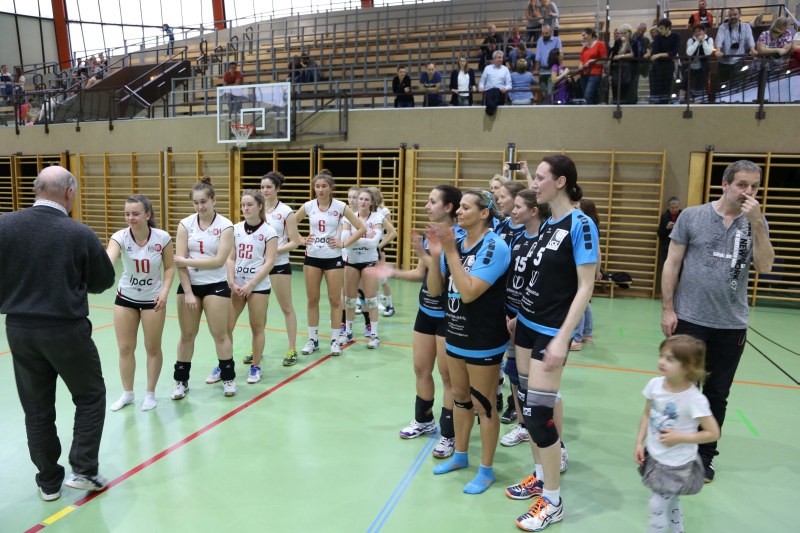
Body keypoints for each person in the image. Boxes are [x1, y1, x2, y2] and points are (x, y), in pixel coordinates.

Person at [0, 166, 116, 500]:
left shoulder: (4, 225)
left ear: (37, 190)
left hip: (19, 329)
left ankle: (48, 481)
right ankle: (84, 470)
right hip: (66, 329)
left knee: (36, 408)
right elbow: (103, 281)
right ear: (69, 192)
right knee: (90, 396)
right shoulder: (78, 232)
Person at [661, 160, 774, 483]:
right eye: (742, 184)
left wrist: (757, 224)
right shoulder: (692, 216)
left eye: (754, 186)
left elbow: (765, 266)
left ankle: (704, 457)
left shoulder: (756, 222)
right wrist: (668, 309)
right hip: (690, 318)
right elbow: (672, 263)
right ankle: (675, 449)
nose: (748, 192)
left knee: (716, 394)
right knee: (682, 388)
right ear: (725, 184)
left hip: (731, 324)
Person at [506, 155, 598, 531]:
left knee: (539, 417)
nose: (534, 183)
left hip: (551, 332)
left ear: (560, 182)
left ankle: (554, 502)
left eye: (541, 177)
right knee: (528, 409)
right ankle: (540, 476)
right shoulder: (547, 222)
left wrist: (564, 337)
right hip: (526, 325)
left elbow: (586, 286)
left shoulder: (581, 224)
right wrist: (517, 315)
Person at [425, 189, 511, 495]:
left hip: (483, 338)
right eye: (458, 207)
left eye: (465, 207)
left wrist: (449, 251)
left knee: (483, 405)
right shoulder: (458, 243)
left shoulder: (495, 246)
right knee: (460, 397)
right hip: (455, 332)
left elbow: (470, 292)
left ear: (484, 213)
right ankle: (460, 455)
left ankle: (486, 470)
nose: (458, 212)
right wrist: (435, 256)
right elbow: (436, 290)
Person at [369, 185, 463, 459]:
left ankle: (449, 433)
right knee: (421, 369)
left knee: (448, 377)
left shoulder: (460, 239)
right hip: (426, 312)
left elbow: (440, 282)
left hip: (449, 316)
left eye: (432, 201)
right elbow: (422, 274)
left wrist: (432, 256)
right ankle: (424, 420)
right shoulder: (430, 234)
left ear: (448, 207)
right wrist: (392, 272)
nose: (426, 206)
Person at [635, 335, 720, 533]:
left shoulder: (694, 399)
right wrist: (639, 442)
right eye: (661, 356)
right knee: (671, 500)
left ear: (688, 367)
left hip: (677, 463)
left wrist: (681, 438)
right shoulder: (655, 385)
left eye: (670, 359)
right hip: (656, 456)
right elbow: (647, 414)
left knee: (657, 504)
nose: (662, 361)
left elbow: (713, 433)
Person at [107, 195, 174, 412]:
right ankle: (127, 393)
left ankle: (150, 393)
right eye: (127, 214)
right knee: (125, 347)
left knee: (152, 348)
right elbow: (109, 259)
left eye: (135, 214)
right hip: (126, 297)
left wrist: (164, 291)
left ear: (147, 215)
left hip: (153, 299)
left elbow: (170, 267)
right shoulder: (120, 237)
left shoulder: (162, 238)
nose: (130, 218)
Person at [171, 177, 236, 399]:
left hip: (215, 285)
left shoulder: (225, 226)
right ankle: (181, 382)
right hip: (190, 286)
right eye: (196, 202)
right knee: (187, 335)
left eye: (204, 201)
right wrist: (188, 292)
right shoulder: (185, 224)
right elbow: (179, 262)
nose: (200, 206)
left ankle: (228, 379)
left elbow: (218, 261)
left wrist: (187, 261)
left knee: (220, 335)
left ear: (213, 200)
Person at [295, 170, 366, 357]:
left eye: (324, 186)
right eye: (317, 186)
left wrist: (343, 243)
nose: (320, 190)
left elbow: (361, 228)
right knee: (312, 300)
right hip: (312, 257)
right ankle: (313, 339)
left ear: (331, 188)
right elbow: (289, 224)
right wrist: (301, 240)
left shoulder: (340, 206)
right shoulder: (308, 206)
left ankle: (335, 340)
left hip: (333, 258)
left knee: (335, 300)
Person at [225, 190, 278, 384]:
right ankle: (225, 364)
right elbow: (231, 258)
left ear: (259, 206)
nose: (245, 208)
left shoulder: (269, 232)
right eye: (243, 205)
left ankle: (255, 366)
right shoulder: (235, 229)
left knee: (257, 327)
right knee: (226, 327)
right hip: (237, 285)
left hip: (258, 286)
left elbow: (269, 262)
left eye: (249, 204)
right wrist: (231, 282)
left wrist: (251, 284)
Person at [259, 172, 302, 366]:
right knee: (259, 309)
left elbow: (294, 242)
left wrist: (273, 250)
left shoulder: (286, 211)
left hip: (279, 265)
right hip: (259, 267)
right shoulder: (257, 208)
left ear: (277, 188)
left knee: (286, 307)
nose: (265, 190)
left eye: (268, 187)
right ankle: (256, 347)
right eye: (262, 187)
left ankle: (292, 348)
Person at [341, 188, 384, 348]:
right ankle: (348, 332)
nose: (363, 202)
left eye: (366, 199)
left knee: (371, 299)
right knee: (350, 299)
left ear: (372, 201)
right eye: (361, 199)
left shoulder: (377, 218)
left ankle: (374, 335)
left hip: (369, 261)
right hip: (352, 260)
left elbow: (374, 243)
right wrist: (364, 237)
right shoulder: (349, 217)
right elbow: (344, 239)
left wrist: (354, 239)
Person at [570, 198, 602, 350]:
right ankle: (587, 334)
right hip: (586, 266)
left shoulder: (586, 225)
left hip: (582, 266)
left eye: (578, 207)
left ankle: (577, 337)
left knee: (579, 299)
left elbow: (598, 252)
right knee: (586, 303)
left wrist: (597, 271)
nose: (575, 209)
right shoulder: (590, 224)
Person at [714, 8, 756, 103]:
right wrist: (718, 51)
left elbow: (749, 39)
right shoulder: (723, 27)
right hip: (724, 62)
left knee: (738, 83)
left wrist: (752, 49)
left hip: (738, 60)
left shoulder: (746, 26)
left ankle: (737, 102)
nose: (733, 17)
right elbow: (719, 39)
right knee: (723, 85)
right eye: (730, 15)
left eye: (735, 14)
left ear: (740, 15)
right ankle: (723, 103)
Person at [369, 187, 398, 317]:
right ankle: (369, 303)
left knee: (381, 277)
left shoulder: (382, 212)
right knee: (368, 278)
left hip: (377, 247)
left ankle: (390, 305)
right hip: (365, 248)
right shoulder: (362, 213)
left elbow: (392, 232)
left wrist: (379, 246)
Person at [755, 17, 793, 103]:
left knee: (774, 88)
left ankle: (773, 104)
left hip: (777, 66)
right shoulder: (765, 34)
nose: (787, 28)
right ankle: (760, 104)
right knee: (760, 88)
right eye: (785, 26)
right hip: (762, 66)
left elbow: (785, 49)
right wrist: (777, 50)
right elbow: (761, 50)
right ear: (779, 25)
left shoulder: (787, 33)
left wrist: (768, 49)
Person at [649, 19, 681, 104]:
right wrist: (665, 55)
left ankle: (665, 103)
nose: (660, 30)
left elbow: (673, 52)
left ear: (668, 28)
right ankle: (658, 103)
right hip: (658, 65)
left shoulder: (676, 36)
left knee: (667, 86)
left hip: (669, 65)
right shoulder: (658, 37)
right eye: (659, 28)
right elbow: (655, 51)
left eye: (662, 28)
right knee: (658, 87)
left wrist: (660, 55)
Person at [685, 24, 714, 102]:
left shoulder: (709, 39)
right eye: (695, 31)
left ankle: (700, 101)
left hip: (703, 68)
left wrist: (703, 41)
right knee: (688, 86)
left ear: (704, 31)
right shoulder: (691, 40)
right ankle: (687, 101)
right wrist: (697, 41)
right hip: (691, 67)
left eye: (699, 31)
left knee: (700, 86)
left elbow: (708, 52)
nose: (697, 33)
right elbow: (689, 52)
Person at [534, 26, 563, 103]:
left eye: (546, 33)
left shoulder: (557, 40)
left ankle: (550, 107)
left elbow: (559, 55)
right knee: (544, 93)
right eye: (543, 33)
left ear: (551, 32)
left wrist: (560, 68)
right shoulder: (540, 40)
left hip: (553, 69)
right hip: (542, 69)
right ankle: (545, 108)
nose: (544, 35)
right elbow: (538, 55)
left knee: (550, 92)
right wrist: (536, 69)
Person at [578, 28, 607, 105]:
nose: (583, 37)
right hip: (584, 74)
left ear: (590, 34)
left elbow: (604, 60)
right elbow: (581, 61)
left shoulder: (600, 44)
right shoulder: (584, 48)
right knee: (589, 96)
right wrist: (580, 65)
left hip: (595, 73)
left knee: (588, 96)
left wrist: (593, 61)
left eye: (584, 35)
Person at [608, 24, 634, 104]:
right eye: (621, 33)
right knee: (616, 91)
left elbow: (634, 55)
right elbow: (616, 56)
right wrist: (625, 44)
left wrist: (622, 56)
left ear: (629, 33)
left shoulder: (634, 42)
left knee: (626, 92)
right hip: (617, 70)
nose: (623, 35)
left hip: (629, 70)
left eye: (624, 33)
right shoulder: (618, 42)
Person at [657, 197, 681, 269]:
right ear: (668, 207)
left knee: (679, 269)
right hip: (667, 247)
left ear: (679, 206)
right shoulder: (664, 217)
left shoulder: (683, 216)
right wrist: (667, 228)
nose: (674, 210)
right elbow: (660, 234)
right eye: (672, 208)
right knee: (668, 268)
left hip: (680, 246)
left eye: (676, 207)